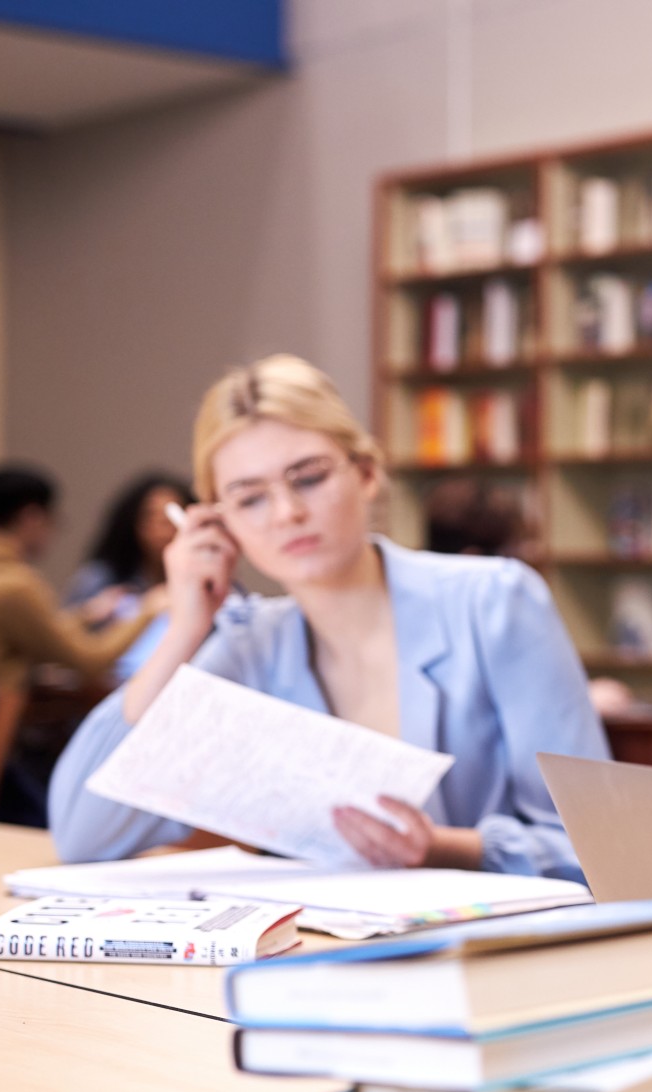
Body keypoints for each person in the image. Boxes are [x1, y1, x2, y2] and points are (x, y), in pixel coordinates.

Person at [49, 354, 611, 878]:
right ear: (220, 525)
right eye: (250, 499)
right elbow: (83, 834)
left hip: (498, 961)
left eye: (310, 478)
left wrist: (446, 847)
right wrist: (183, 631)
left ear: (366, 473)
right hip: (317, 959)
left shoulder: (493, 602)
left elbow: (599, 844)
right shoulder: (251, 646)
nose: (288, 514)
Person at [0, 464, 164, 692]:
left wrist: (85, 616)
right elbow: (90, 662)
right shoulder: (12, 585)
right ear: (32, 517)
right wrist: (149, 610)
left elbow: (37, 632)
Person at [64, 472, 197, 680]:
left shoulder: (204, 578)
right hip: (106, 688)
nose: (162, 529)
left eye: (169, 518)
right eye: (151, 517)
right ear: (132, 522)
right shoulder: (100, 579)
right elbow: (72, 648)